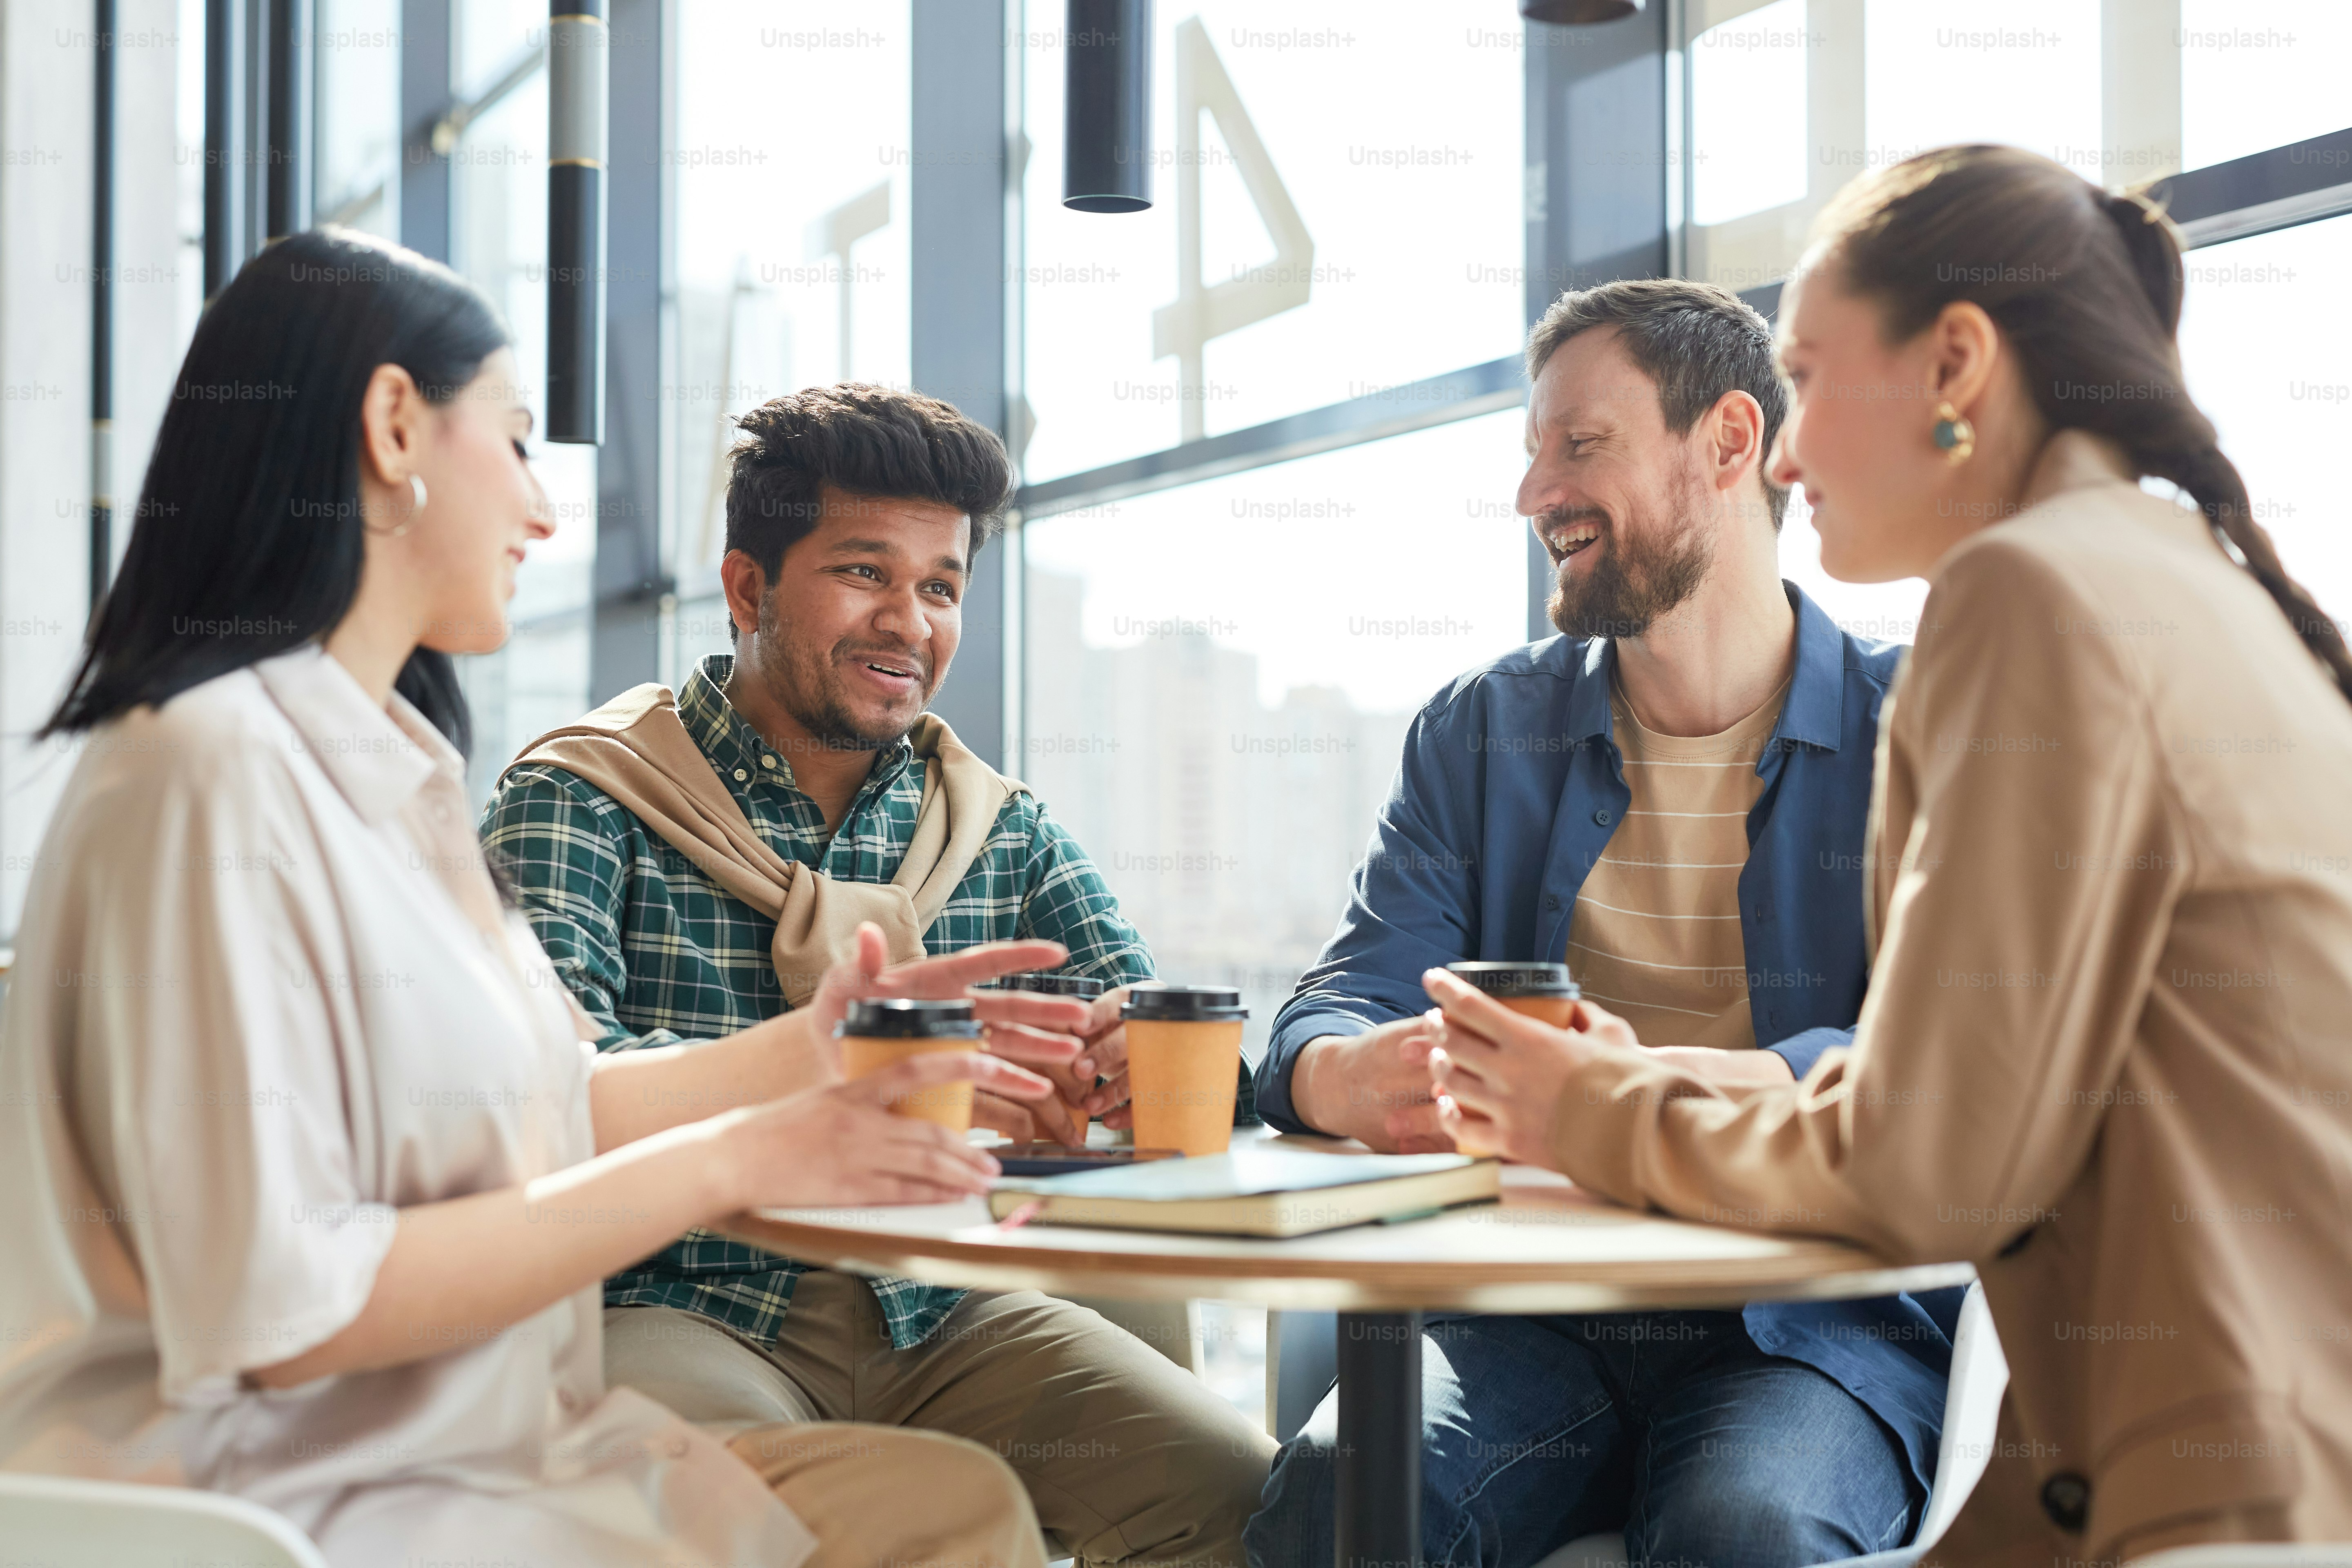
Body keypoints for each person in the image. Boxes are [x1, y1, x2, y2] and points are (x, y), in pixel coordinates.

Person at [0, 228, 1097, 1568]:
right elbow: (280, 1304)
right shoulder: (206, 771)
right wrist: (746, 1155)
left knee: (960, 1513)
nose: (542, 509)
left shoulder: (387, 771)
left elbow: (544, 1107)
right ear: (395, 426)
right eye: (517, 442)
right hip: (290, 1500)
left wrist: (812, 1056)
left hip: (470, 1451)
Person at [1422, 146, 2352, 1566]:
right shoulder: (2187, 590)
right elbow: (1994, 1129)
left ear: (1956, 367)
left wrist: (1589, 1108)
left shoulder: (2025, 594)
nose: (1784, 459)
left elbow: (1925, 1163)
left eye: (1807, 378)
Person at [479, 382, 1275, 1565]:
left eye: (941, 587)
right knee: (947, 1517)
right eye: (864, 573)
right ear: (749, 587)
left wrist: (1114, 1070)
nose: (910, 622)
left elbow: (1205, 1085)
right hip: (672, 1299)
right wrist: (842, 1079)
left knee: (1255, 1499)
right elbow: (538, 1095)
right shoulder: (584, 796)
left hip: (942, 1307)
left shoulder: (1001, 827)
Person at [1248, 278, 1960, 1568]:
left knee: (1742, 1529)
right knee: (1340, 1492)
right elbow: (1339, 997)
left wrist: (1636, 1089)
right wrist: (1348, 1071)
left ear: (1732, 442)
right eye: (1533, 453)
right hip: (1534, 1312)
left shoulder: (1921, 724)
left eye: (1581, 446)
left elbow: (1942, 1067)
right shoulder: (1479, 730)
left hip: (1812, 1320)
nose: (1535, 495)